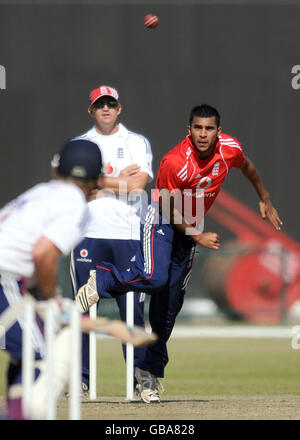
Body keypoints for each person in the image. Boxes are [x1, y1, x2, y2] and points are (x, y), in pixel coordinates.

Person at [76, 104, 282, 403]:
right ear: (189, 130)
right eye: (197, 128)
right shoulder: (175, 161)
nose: (202, 134)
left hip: (191, 222)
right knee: (153, 276)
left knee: (168, 309)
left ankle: (148, 376)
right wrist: (197, 234)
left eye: (209, 129)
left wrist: (264, 198)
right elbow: (168, 207)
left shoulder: (230, 148)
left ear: (218, 132)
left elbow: (247, 165)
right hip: (163, 219)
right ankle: (103, 281)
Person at [0, 139, 102, 419]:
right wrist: (50, 297)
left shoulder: (42, 191)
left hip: (10, 276)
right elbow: (43, 252)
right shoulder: (76, 205)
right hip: (4, 275)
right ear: (95, 180)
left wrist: (34, 290)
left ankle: (16, 411)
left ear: (58, 169)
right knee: (41, 356)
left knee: (27, 352)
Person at [70, 85, 153, 392]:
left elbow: (137, 187)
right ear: (91, 110)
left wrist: (96, 180)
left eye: (111, 104)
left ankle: (142, 378)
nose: (106, 109)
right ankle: (80, 379)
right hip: (88, 234)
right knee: (82, 309)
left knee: (132, 311)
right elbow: (75, 189)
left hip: (127, 236)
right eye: (100, 105)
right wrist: (119, 180)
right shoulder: (80, 144)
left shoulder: (134, 142)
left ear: (119, 109)